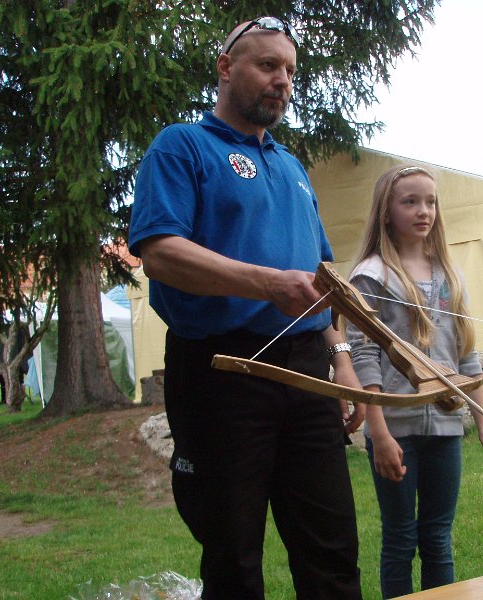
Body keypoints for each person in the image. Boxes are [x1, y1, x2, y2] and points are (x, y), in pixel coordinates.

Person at [128, 17, 363, 600]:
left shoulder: (291, 166)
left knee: (332, 546)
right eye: (267, 66)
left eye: (290, 71)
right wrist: (265, 284)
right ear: (226, 68)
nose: (282, 81)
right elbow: (160, 253)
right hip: (222, 369)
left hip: (308, 369)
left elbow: (321, 277)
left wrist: (344, 359)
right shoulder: (183, 145)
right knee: (232, 554)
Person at [346, 165, 483, 599]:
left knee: (438, 536)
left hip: (446, 427)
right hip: (395, 429)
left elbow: (466, 357)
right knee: (400, 539)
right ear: (386, 211)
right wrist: (377, 432)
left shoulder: (449, 275)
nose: (424, 211)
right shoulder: (371, 275)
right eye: (410, 201)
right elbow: (365, 356)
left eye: (431, 202)